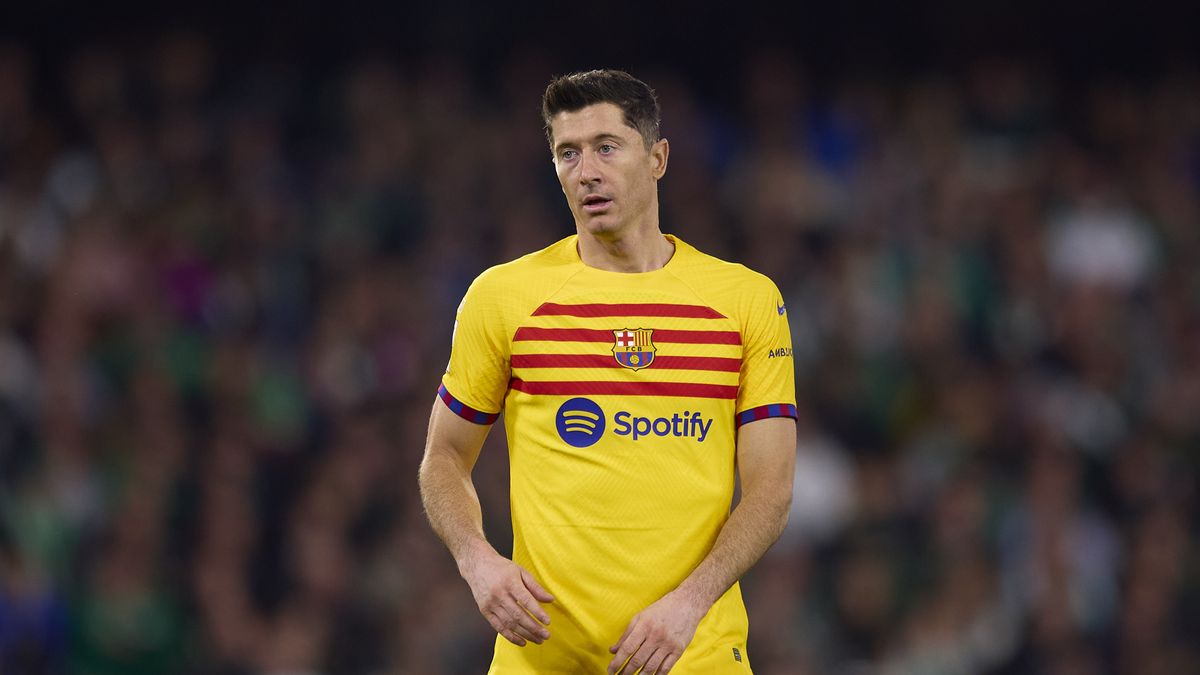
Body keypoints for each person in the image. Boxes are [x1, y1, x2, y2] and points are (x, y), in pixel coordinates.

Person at [418, 69, 797, 674]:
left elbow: (772, 492)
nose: (585, 170)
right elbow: (443, 457)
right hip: (542, 659)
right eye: (567, 153)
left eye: (606, 147)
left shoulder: (745, 301)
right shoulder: (503, 297)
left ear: (657, 158)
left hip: (693, 654)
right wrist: (477, 560)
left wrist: (690, 603)